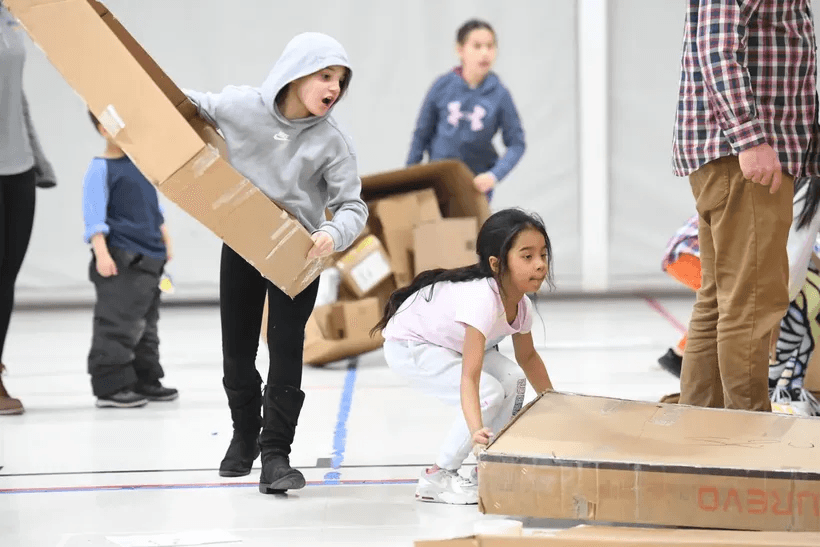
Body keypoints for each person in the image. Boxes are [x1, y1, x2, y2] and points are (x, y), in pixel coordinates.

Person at [185, 32, 367, 494]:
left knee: (286, 350)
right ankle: (244, 433)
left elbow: (353, 207)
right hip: (243, 243)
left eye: (341, 80)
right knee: (237, 353)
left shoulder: (333, 142)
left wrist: (331, 234)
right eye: (326, 75)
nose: (334, 87)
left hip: (298, 253)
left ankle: (275, 455)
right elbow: (186, 104)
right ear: (297, 72)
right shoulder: (241, 106)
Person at [671, 1, 820, 411]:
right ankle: (751, 433)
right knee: (752, 304)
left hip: (742, 156)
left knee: (722, 300)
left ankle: (700, 428)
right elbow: (717, 49)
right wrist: (749, 138)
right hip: (747, 158)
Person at [373, 209, 554, 505]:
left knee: (515, 380)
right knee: (489, 392)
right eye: (527, 256)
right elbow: (470, 378)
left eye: (543, 255)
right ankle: (438, 476)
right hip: (411, 346)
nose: (540, 264)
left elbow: (529, 358)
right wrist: (475, 430)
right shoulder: (482, 300)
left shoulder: (521, 306)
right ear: (497, 263)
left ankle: (490, 467)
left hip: (450, 344)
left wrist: (555, 403)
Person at [83, 111, 178, 408]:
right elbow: (94, 216)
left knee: (146, 323)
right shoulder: (100, 169)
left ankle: (145, 378)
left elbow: (153, 208)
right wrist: (101, 253)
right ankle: (111, 386)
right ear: (103, 129)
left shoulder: (140, 164)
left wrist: (165, 239)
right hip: (123, 258)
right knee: (118, 322)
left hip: (150, 259)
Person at [0, 2, 57, 415]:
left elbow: (13, 91)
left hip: (17, 166)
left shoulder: (9, 13)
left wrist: (35, 154)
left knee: (5, 279)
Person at [406, 19, 525, 202]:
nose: (485, 53)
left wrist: (494, 175)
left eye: (490, 46)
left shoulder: (500, 94)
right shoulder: (442, 86)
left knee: (471, 222)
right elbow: (421, 135)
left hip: (475, 187)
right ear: (460, 50)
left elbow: (517, 143)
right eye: (477, 46)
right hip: (437, 182)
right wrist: (409, 177)